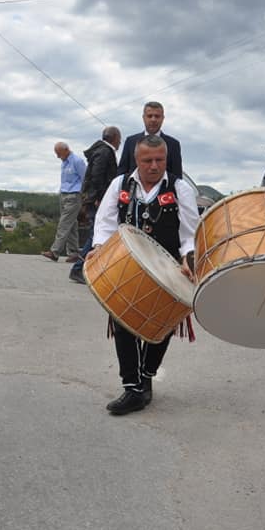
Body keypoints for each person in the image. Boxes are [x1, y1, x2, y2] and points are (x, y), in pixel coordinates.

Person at [92, 134, 198, 415]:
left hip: (167, 269)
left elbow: (190, 234)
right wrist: (99, 248)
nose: (153, 165)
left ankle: (146, 376)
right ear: (136, 160)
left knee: (160, 326)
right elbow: (104, 223)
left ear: (166, 159)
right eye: (147, 160)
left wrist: (189, 258)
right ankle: (132, 388)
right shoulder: (120, 184)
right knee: (123, 321)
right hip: (126, 266)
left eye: (159, 160)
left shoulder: (180, 188)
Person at [69, 126, 121, 284]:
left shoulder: (100, 151)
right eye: (119, 139)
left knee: (96, 232)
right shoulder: (106, 152)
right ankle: (78, 268)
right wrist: (98, 197)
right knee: (95, 234)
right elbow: (97, 175)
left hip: (94, 198)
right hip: (98, 199)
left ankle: (87, 268)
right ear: (115, 138)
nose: (120, 143)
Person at [41, 142, 86, 262]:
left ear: (66, 150)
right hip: (64, 195)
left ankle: (55, 252)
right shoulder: (64, 163)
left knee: (64, 224)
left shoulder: (77, 161)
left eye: (59, 154)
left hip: (74, 196)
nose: (57, 157)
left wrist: (83, 195)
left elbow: (85, 178)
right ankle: (74, 253)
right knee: (71, 225)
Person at [116, 101, 183, 179]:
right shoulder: (131, 142)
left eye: (157, 116)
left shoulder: (173, 144)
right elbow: (122, 172)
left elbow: (177, 176)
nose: (153, 119)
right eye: (150, 116)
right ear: (144, 117)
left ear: (162, 118)